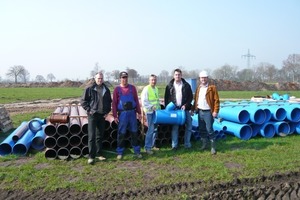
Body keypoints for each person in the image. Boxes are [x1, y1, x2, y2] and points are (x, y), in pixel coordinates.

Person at [81, 72, 112, 164]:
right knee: (92, 136)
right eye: (98, 78)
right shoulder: (90, 89)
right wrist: (89, 110)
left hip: (102, 116)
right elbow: (83, 101)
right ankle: (91, 156)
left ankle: (99, 154)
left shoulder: (106, 89)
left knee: (100, 136)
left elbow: (109, 102)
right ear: (95, 79)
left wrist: (107, 112)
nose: (100, 80)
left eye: (101, 78)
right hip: (92, 115)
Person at [112, 71, 142, 159]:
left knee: (134, 132)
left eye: (126, 77)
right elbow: (114, 103)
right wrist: (115, 115)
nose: (124, 79)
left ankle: (137, 151)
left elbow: (136, 100)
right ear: (120, 78)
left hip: (132, 113)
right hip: (123, 114)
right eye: (123, 77)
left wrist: (139, 113)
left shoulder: (132, 88)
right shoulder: (117, 90)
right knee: (121, 133)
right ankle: (120, 152)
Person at [164, 68, 193, 150]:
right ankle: (174, 145)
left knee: (189, 125)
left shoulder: (186, 85)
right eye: (176, 75)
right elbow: (166, 98)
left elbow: (190, 97)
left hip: (185, 109)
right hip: (175, 110)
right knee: (175, 127)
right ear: (173, 76)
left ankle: (187, 144)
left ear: (181, 75)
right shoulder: (169, 86)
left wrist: (186, 105)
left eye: (179, 74)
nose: (177, 76)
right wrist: (168, 110)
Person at [192, 70, 220, 155]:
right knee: (201, 129)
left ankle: (213, 147)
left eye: (204, 77)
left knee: (209, 129)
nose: (203, 79)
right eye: (201, 78)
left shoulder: (212, 88)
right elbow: (196, 100)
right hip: (200, 111)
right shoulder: (198, 88)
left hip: (208, 112)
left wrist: (215, 111)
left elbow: (216, 100)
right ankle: (204, 144)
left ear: (207, 78)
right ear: (199, 79)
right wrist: (193, 109)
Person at [141, 74, 161, 155]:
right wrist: (151, 107)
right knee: (150, 130)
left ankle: (153, 145)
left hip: (156, 112)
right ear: (149, 81)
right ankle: (147, 147)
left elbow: (157, 100)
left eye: (155, 80)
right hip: (149, 112)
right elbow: (144, 101)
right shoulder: (146, 89)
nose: (153, 81)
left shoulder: (156, 88)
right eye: (152, 80)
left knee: (155, 129)